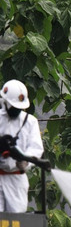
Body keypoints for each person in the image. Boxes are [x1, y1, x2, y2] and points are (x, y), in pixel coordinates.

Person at [0, 80, 43, 213]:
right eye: (13, 106)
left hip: (17, 178)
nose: (16, 110)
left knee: (17, 222)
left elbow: (36, 148)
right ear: (5, 102)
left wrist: (26, 161)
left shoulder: (30, 121)